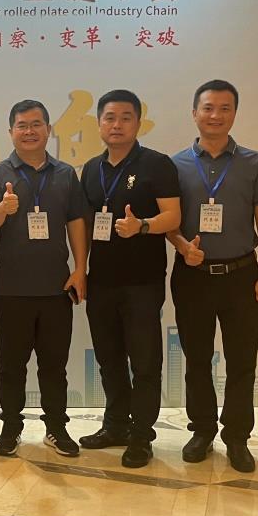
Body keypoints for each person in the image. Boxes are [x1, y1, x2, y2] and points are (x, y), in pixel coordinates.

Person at [167, 80, 258, 473]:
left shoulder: (254, 162)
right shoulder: (175, 164)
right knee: (197, 359)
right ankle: (202, 430)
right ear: (194, 113)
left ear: (234, 114)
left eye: (225, 108)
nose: (216, 115)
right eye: (208, 108)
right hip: (192, 275)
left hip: (242, 275)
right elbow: (170, 221)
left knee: (242, 360)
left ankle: (237, 437)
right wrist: (183, 245)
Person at [0, 100, 89, 457]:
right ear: (11, 132)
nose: (29, 131)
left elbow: (76, 221)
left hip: (57, 286)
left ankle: (56, 428)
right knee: (11, 366)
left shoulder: (65, 174)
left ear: (48, 130)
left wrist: (80, 268)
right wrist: (3, 208)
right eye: (22, 125)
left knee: (54, 366)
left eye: (36, 124)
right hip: (12, 289)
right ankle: (11, 427)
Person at [79, 89, 181, 469]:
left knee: (144, 361)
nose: (117, 124)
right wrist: (80, 269)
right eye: (109, 117)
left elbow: (173, 216)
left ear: (138, 122)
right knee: (109, 359)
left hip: (142, 282)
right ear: (99, 124)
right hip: (101, 281)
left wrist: (143, 226)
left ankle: (141, 435)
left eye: (125, 117)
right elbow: (85, 223)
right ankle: (115, 426)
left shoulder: (157, 164)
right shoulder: (91, 169)